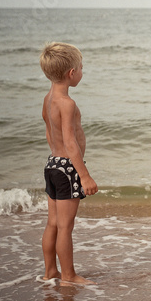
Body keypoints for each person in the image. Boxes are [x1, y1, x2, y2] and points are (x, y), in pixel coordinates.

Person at [39, 42, 99, 285]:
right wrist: (84, 176)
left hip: (52, 164)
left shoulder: (48, 98)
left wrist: (58, 156)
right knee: (66, 227)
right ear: (71, 73)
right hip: (67, 169)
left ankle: (50, 271)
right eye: (81, 68)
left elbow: (48, 132)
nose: (82, 72)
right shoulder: (67, 103)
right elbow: (71, 143)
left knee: (52, 223)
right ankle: (69, 276)